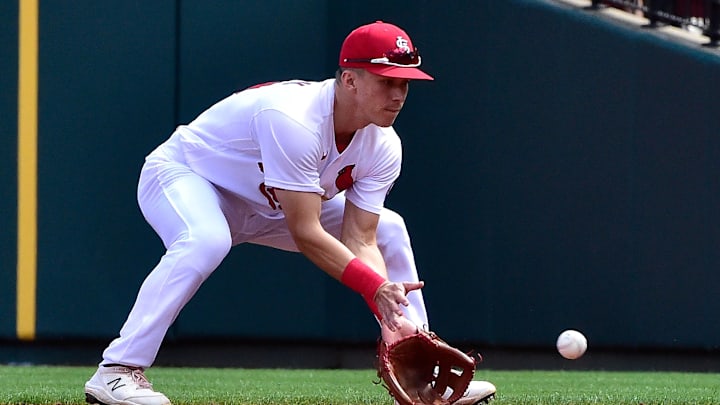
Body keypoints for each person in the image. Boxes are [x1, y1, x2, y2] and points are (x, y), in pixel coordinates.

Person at [84, 21, 496, 405]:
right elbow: (305, 231)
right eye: (388, 81)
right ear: (350, 80)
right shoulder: (294, 119)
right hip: (189, 177)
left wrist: (388, 313)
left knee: (389, 227)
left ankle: (420, 361)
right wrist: (373, 287)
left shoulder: (384, 145)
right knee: (207, 240)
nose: (399, 95)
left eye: (406, 84)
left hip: (269, 203)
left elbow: (361, 238)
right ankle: (118, 369)